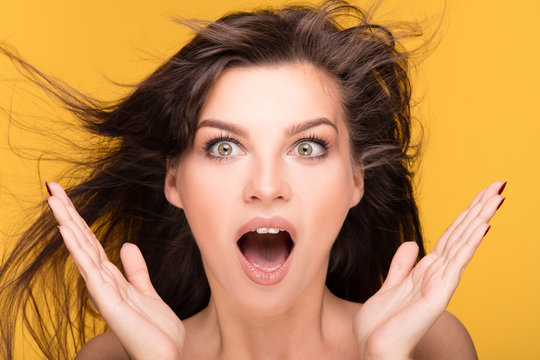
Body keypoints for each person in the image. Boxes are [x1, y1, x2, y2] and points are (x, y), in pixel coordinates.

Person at [0, 1, 505, 359]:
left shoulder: (429, 345)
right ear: (174, 181)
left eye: (307, 147)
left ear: (356, 180)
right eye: (224, 147)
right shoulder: (118, 357)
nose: (266, 185)